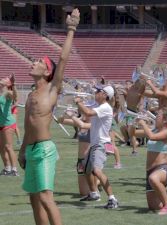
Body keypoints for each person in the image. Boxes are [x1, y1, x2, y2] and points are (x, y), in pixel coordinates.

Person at [17, 9, 80, 225]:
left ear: (47, 72)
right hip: (31, 150)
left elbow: (63, 58)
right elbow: (28, 125)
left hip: (45, 150)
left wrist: (71, 28)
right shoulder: (31, 96)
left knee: (45, 197)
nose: (33, 62)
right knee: (34, 199)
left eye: (38, 61)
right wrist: (22, 150)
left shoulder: (52, 89)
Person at [76, 85, 119, 209]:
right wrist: (79, 99)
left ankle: (112, 198)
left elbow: (88, 112)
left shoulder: (105, 107)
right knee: (85, 169)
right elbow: (86, 113)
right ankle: (94, 193)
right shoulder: (98, 106)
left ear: (105, 95)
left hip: (101, 143)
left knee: (97, 171)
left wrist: (79, 102)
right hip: (95, 143)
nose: (95, 92)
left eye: (98, 91)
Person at [135, 109, 167, 215]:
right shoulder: (154, 130)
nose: (155, 117)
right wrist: (133, 123)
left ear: (164, 120)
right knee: (153, 207)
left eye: (158, 116)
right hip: (150, 170)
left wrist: (142, 123)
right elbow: (133, 133)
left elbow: (152, 137)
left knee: (153, 178)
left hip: (162, 169)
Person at [0, 75, 18, 176]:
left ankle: (14, 169)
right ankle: (7, 168)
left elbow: (15, 96)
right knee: (1, 148)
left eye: (5, 78)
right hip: (1, 123)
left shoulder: (8, 93)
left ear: (8, 84)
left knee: (8, 146)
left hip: (8, 123)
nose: (2, 78)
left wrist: (14, 84)